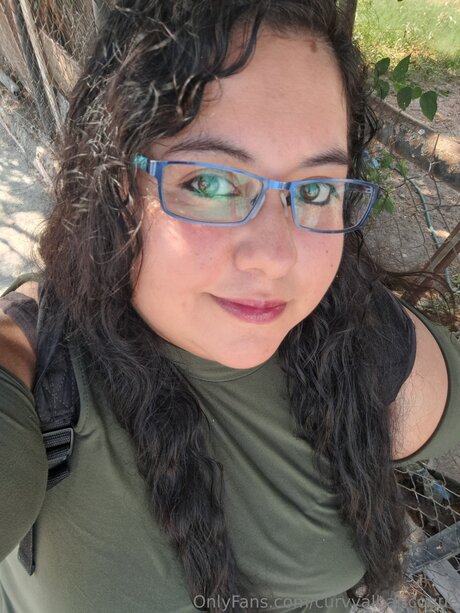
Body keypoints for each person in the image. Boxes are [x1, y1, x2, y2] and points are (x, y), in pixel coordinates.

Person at [0, 1, 459, 612]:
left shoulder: (357, 336)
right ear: (114, 185)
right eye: (210, 182)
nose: (275, 257)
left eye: (314, 188)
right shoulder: (35, 362)